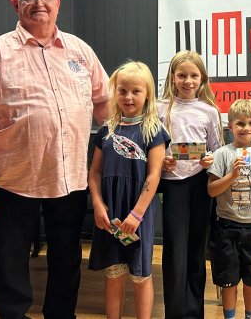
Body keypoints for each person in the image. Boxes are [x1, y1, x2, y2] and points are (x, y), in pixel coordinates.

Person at [0, 0, 110, 319]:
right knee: (9, 258)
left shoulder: (80, 51)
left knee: (67, 256)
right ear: (16, 4)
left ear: (58, 4)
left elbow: (104, 104)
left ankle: (61, 315)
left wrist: (130, 138)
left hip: (69, 177)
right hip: (14, 179)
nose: (39, 4)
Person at [87, 61, 170, 319]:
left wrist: (137, 214)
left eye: (136, 91)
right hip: (110, 211)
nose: (128, 97)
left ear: (147, 94)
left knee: (141, 275)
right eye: (122, 90)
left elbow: (154, 175)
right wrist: (99, 206)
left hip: (139, 213)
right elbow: (95, 172)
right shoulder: (106, 130)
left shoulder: (154, 130)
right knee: (114, 274)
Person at [158, 50, 224, 319]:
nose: (187, 81)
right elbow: (153, 147)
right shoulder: (159, 107)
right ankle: (174, 312)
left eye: (193, 76)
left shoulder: (209, 111)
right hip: (173, 185)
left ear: (202, 78)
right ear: (173, 77)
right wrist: (162, 160)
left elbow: (217, 150)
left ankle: (194, 312)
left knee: (197, 248)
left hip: (199, 184)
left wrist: (210, 160)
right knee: (175, 249)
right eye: (182, 75)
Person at [207, 99, 251, 319]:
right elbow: (212, 190)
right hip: (227, 227)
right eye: (241, 123)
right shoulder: (222, 154)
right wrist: (232, 175)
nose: (246, 128)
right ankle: (229, 316)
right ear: (231, 126)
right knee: (229, 279)